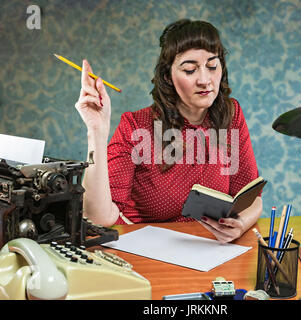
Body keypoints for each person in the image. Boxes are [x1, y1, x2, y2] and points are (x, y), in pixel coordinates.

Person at [75, 19, 263, 243]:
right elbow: (97, 217)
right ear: (168, 77)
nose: (205, 80)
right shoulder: (135, 126)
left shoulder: (231, 115)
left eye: (212, 66)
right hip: (145, 253)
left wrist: (240, 224)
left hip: (210, 250)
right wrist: (96, 131)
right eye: (190, 70)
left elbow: (252, 197)